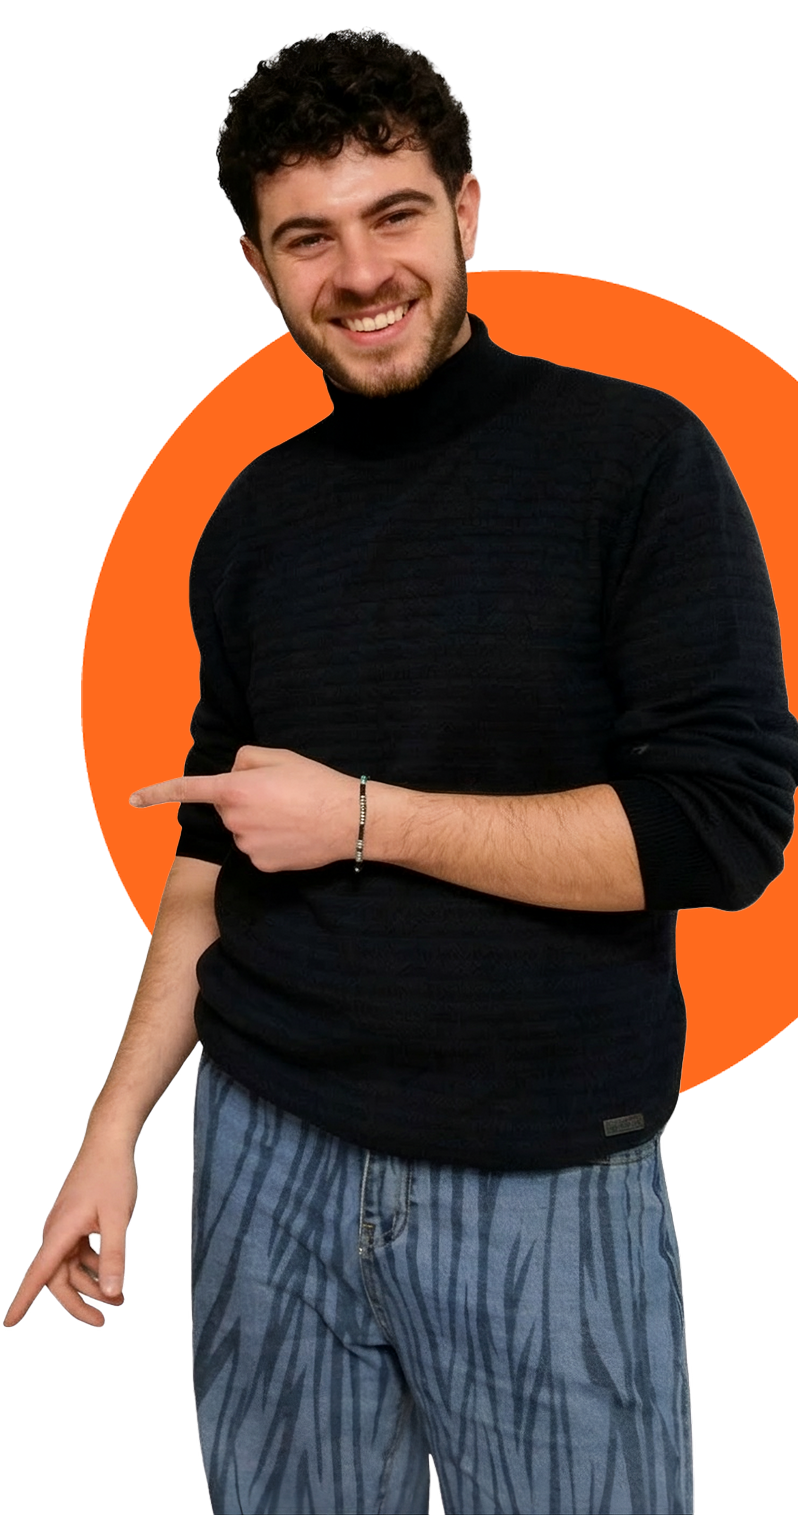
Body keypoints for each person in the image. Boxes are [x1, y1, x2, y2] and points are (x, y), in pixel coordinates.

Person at [5, 24, 797, 1515]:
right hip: (264, 1154)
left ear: (468, 209)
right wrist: (111, 1136)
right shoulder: (252, 517)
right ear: (258, 263)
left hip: (540, 1172)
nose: (361, 273)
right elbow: (213, 857)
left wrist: (367, 819)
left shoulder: (636, 459)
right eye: (308, 237)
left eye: (395, 215)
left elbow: (721, 830)